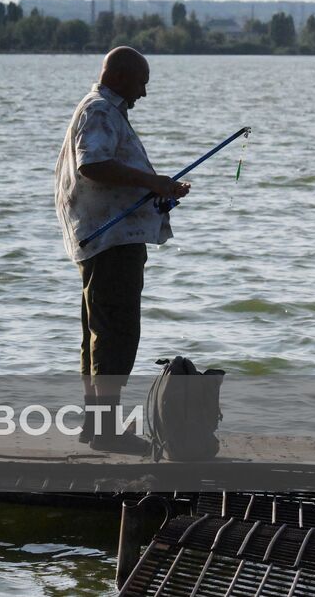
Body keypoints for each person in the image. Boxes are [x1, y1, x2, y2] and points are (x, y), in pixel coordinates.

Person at [54, 47, 190, 454]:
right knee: (116, 334)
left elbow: (105, 168)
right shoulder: (100, 110)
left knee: (98, 335)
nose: (144, 93)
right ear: (119, 76)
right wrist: (152, 182)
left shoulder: (102, 108)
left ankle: (95, 426)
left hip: (103, 237)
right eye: (141, 83)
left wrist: (158, 187)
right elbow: (91, 165)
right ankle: (106, 431)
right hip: (110, 241)